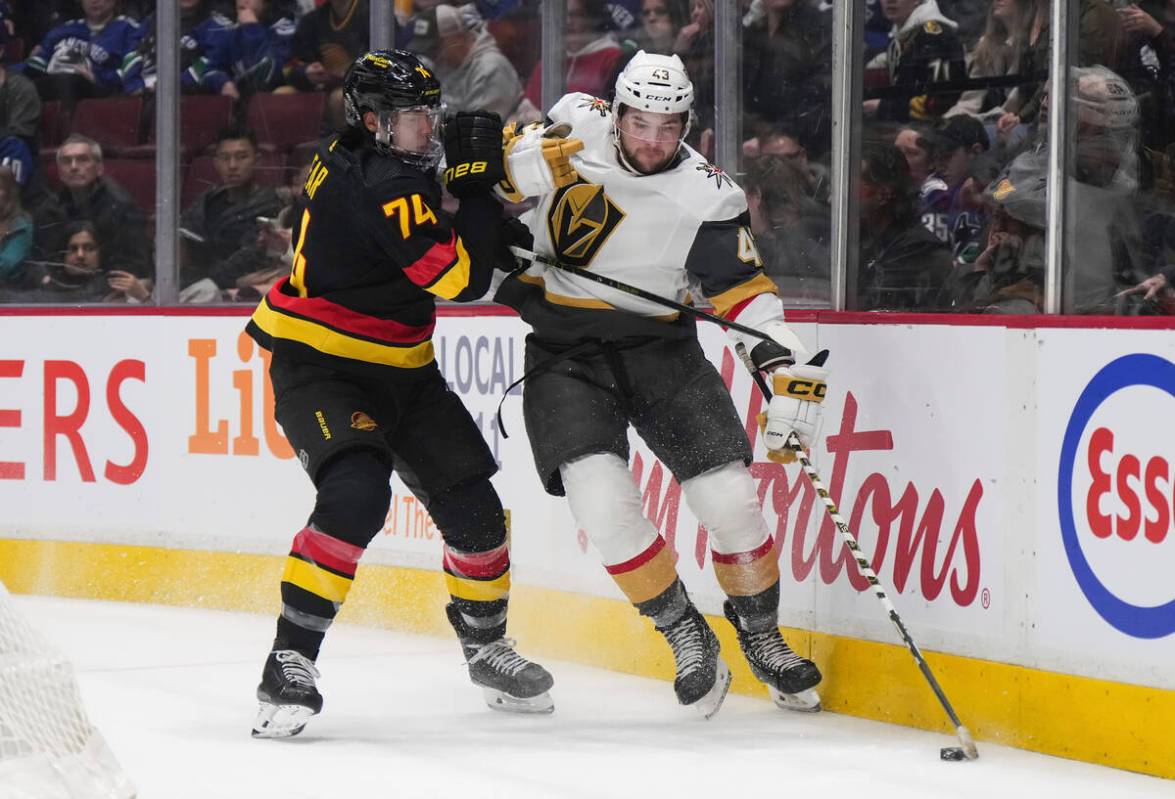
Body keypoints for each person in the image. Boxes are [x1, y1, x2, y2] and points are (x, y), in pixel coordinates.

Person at [494, 51, 824, 718]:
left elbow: (740, 291)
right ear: (615, 112)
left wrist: (784, 365)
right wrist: (518, 164)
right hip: (564, 355)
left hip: (661, 352)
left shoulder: (706, 194)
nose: (651, 140)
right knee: (602, 505)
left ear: (688, 126)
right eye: (639, 123)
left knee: (730, 500)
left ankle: (761, 634)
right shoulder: (573, 128)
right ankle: (683, 631)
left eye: (668, 126)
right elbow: (481, 178)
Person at [245, 49, 552, 738]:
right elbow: (460, 282)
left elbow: (405, 237)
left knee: (476, 513)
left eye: (428, 113)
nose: (428, 128)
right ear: (376, 121)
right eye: (415, 117)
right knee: (356, 493)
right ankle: (289, 659)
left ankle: (485, 646)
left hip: (402, 368)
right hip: (321, 366)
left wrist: (472, 218)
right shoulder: (385, 182)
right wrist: (476, 196)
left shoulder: (354, 153)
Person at [179, 125, 282, 296]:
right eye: (225, 158)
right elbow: (183, 242)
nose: (232, 165)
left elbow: (251, 255)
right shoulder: (205, 202)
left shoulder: (270, 203)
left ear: (257, 160)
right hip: (199, 285)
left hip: (239, 294)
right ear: (215, 162)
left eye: (241, 157)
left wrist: (215, 279)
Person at [30, 133, 151, 276]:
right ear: (60, 172)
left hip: (104, 291)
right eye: (66, 161)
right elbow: (37, 264)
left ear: (99, 168)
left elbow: (135, 266)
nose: (74, 167)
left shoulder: (122, 207)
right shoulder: (48, 209)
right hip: (58, 291)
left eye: (82, 159)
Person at [857, 140, 951, 310]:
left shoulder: (919, 253)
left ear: (883, 194)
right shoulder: (855, 239)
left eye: (851, 182)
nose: (838, 190)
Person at [408, 3, 523, 121]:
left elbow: (478, 130)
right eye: (426, 51)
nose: (432, 56)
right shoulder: (437, 64)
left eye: (435, 48)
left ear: (458, 37)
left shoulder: (491, 69)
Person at [22, 0, 144, 106]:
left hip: (98, 91)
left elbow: (130, 71)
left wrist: (97, 77)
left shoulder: (128, 29)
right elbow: (37, 63)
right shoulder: (65, 29)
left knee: (66, 82)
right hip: (53, 81)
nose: (94, 1)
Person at [863, 0, 966, 123]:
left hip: (932, 129)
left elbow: (939, 101)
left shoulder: (936, 36)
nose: (890, 1)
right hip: (903, 126)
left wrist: (883, 108)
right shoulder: (900, 37)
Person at [20, 219, 151, 303]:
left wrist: (144, 297)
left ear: (100, 254)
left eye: (89, 248)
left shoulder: (117, 290)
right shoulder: (44, 288)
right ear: (62, 255)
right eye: (73, 248)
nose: (80, 255)